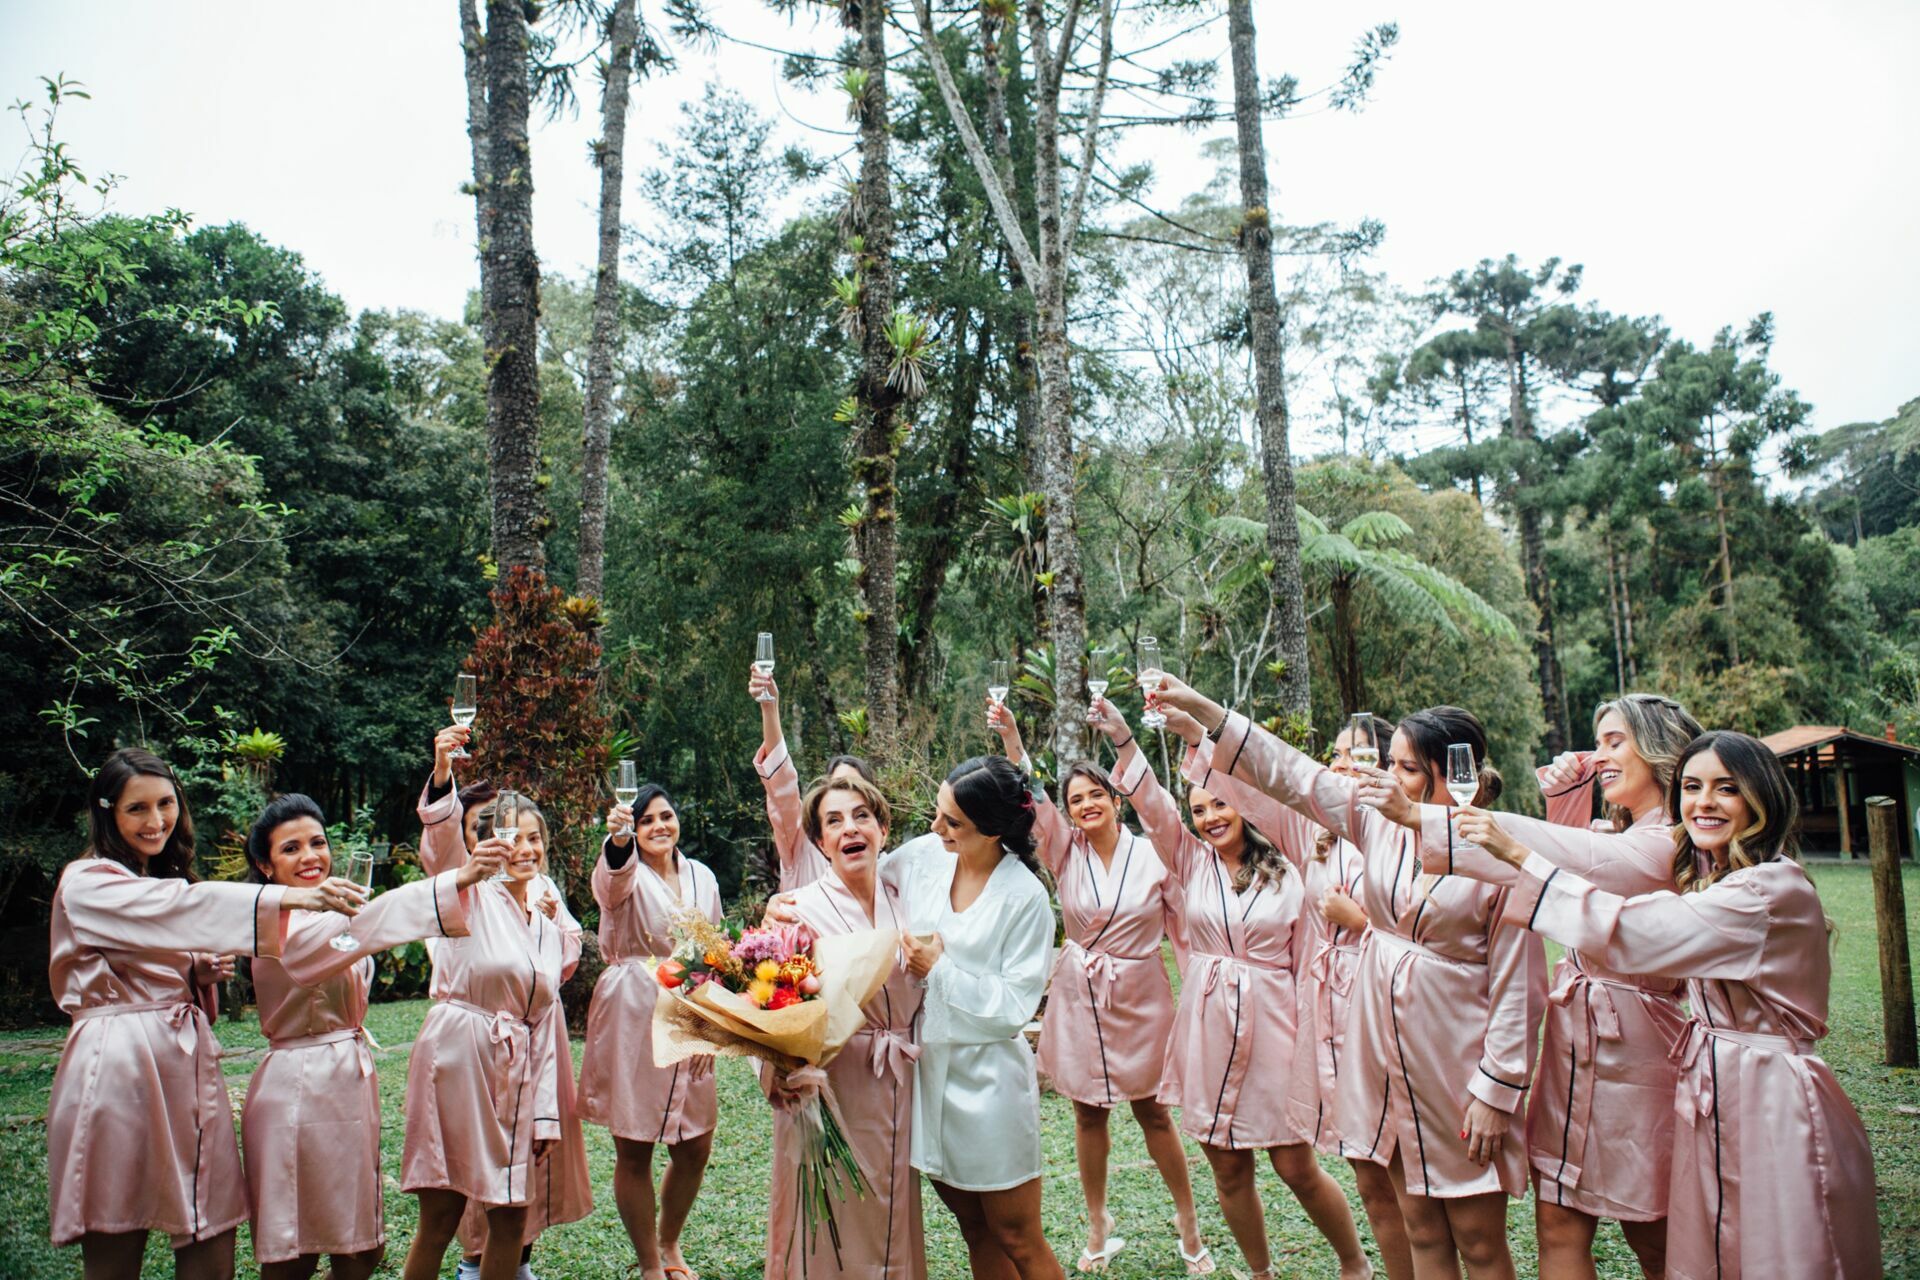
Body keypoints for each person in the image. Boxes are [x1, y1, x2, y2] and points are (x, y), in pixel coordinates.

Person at [1442, 731, 1882, 1280]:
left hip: (1770, 1096)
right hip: (1714, 1088)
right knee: (1713, 1250)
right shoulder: (1719, 879)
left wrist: (1518, 854)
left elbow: (1634, 930)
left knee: (1775, 1252)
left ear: (1762, 798)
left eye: (1727, 789)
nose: (1704, 802)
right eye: (1693, 787)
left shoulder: (1765, 893)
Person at [1150, 674, 1542, 1280]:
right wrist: (1204, 712)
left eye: (1404, 767)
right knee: (1417, 1227)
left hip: (1453, 1061)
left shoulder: (1500, 854)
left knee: (1478, 1239)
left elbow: (1519, 988)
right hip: (1378, 1052)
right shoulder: (1375, 824)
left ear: (1450, 772)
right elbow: (1293, 775)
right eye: (1388, 763)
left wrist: (1497, 1089)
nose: (1386, 777)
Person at [1371, 693, 1703, 1279]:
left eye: (1615, 742)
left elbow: (1566, 863)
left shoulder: (1665, 844)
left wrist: (1423, 816)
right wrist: (1566, 797)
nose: (1600, 755)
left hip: (1640, 1052)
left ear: (1659, 751)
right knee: (1557, 1223)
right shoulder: (1613, 829)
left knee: (1652, 1232)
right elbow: (1548, 870)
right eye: (1597, 742)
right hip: (1573, 1048)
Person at [47, 747, 359, 1280]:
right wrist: (291, 900)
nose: (156, 821)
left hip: (186, 1063)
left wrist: (197, 973)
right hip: (118, 1068)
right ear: (107, 813)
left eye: (165, 804)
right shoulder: (86, 881)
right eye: (137, 809)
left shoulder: (159, 878)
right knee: (118, 1230)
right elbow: (176, 909)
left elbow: (171, 923)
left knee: (211, 1229)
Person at [1088, 700, 1369, 1280]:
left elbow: (1305, 957)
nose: (1210, 816)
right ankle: (1260, 1273)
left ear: (1241, 806)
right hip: (1208, 1027)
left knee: (1295, 1165)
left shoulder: (1290, 864)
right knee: (1228, 1168)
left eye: (1221, 803)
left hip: (1275, 1026)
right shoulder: (1190, 863)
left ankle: (1354, 1264)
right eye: (1200, 809)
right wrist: (1123, 742)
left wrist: (1197, 731)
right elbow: (1153, 808)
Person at [1181, 712, 1414, 1280]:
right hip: (1329, 1010)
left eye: (1358, 755)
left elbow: (1432, 932)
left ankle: (1392, 1265)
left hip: (1390, 1004)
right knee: (1370, 1175)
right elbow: (1267, 778)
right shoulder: (1315, 836)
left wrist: (1360, 922)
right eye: (1335, 753)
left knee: (1404, 1174)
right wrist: (1195, 733)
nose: (1342, 763)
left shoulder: (1404, 834)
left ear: (1387, 767)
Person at [989, 700, 1213, 1275]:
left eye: (1096, 796)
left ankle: (1189, 1224)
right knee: (1088, 1114)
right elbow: (1031, 793)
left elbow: (1186, 929)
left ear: (1117, 800)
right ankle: (1097, 1223)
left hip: (1142, 994)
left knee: (1153, 1114)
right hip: (1081, 993)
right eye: (1075, 801)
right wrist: (1012, 736)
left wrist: (1199, 994)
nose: (1085, 806)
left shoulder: (1155, 856)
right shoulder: (1064, 852)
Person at [240, 793, 497, 1280]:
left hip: (347, 1084)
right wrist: (456, 878)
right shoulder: (278, 927)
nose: (310, 856)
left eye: (317, 843)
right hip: (298, 1090)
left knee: (361, 1250)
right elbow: (374, 923)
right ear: (264, 864)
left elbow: (357, 930)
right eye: (290, 849)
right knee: (294, 1253)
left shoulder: (328, 918)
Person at [414, 727, 592, 1280]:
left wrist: (544, 1113)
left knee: (512, 1214)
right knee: (441, 1215)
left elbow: (542, 1014)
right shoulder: (466, 894)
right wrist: (444, 771)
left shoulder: (542, 913)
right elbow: (444, 851)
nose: (524, 849)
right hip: (460, 1059)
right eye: (510, 837)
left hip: (520, 1070)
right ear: (488, 844)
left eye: (534, 838)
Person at [885, 750, 1065, 1280]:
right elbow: (860, 881)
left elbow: (1014, 1007)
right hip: (928, 1076)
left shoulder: (1025, 898)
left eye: (952, 821)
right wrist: (790, 905)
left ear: (990, 831)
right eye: (938, 811)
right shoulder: (923, 856)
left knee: (1018, 1236)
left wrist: (939, 970)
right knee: (974, 1229)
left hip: (990, 1088)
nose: (935, 826)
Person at [762, 771, 927, 1279]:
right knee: (829, 1222)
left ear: (882, 829)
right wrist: (786, 1073)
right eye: (834, 821)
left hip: (900, 1080)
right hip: (834, 1088)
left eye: (861, 816)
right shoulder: (798, 913)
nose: (849, 828)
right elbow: (775, 1008)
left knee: (893, 1209)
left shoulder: (909, 900)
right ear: (819, 842)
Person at [577, 782, 724, 1280]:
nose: (659, 826)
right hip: (634, 1010)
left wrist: (710, 1024)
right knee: (635, 1144)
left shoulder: (702, 876)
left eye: (666, 816)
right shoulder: (625, 873)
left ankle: (669, 1242)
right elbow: (611, 880)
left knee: (696, 1144)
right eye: (646, 821)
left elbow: (715, 951)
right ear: (634, 831)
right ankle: (649, 1266)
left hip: (693, 1007)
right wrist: (617, 840)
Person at [751, 667, 878, 889]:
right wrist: (770, 709)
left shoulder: (888, 874)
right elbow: (782, 788)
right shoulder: (802, 847)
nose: (850, 828)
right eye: (838, 788)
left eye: (856, 789)